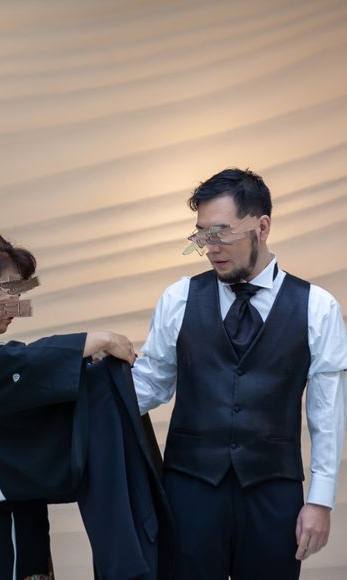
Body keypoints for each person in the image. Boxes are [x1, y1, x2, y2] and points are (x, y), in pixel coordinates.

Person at [0, 222, 172, 580]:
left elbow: (27, 378)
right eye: (10, 290)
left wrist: (91, 372)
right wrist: (93, 341)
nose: (18, 304)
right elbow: (18, 365)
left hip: (15, 510)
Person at [132, 167, 347, 580]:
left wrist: (320, 501)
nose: (209, 248)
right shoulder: (179, 298)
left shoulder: (318, 307)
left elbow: (327, 412)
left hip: (273, 492)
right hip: (189, 489)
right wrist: (84, 393)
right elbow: (151, 383)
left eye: (221, 233)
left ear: (262, 227)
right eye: (201, 235)